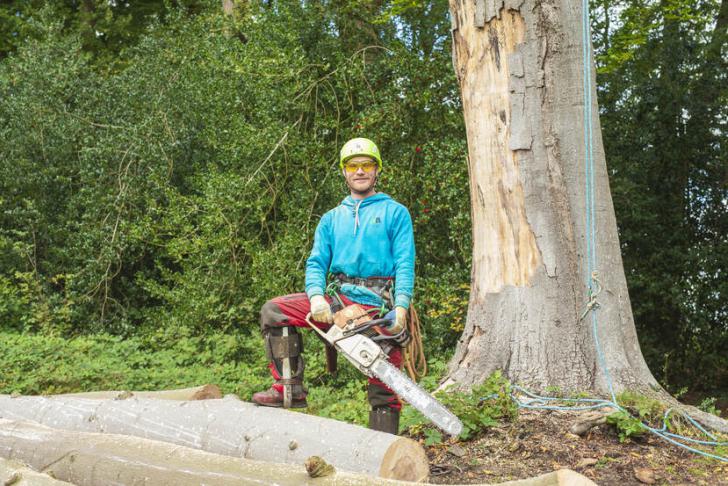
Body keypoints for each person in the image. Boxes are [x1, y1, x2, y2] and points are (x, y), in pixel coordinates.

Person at [251, 137, 415, 434]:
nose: (360, 171)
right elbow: (316, 263)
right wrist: (316, 298)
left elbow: (405, 262)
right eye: (353, 165)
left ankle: (383, 450)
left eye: (367, 164)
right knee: (274, 310)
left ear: (377, 170)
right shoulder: (331, 219)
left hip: (375, 306)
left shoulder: (395, 212)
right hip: (337, 299)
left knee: (385, 383)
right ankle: (288, 387)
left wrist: (401, 306)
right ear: (344, 171)